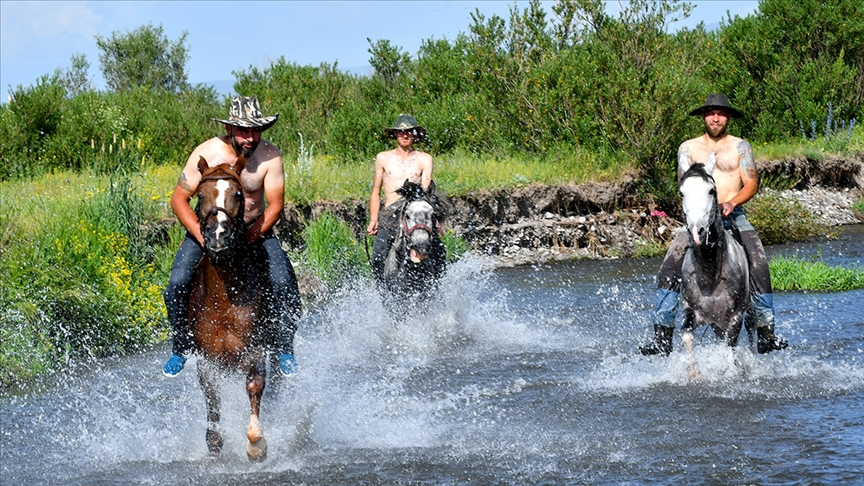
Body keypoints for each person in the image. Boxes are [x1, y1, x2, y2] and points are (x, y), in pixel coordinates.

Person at [162, 96, 302, 377]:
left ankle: (284, 346)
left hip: (254, 231)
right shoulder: (206, 153)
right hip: (208, 232)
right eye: (243, 130)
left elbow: (275, 205)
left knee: (283, 281)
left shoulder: (270, 156)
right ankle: (180, 346)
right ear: (229, 128)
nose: (250, 137)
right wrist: (201, 238)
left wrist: (250, 236)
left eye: (254, 130)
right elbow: (179, 199)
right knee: (177, 284)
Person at [639, 94, 788, 356]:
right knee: (668, 268)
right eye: (711, 113)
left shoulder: (741, 146)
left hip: (733, 214)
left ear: (728, 117)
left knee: (759, 264)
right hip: (698, 218)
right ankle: (661, 334)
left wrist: (730, 203)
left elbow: (751, 184)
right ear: (703, 117)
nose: (715, 118)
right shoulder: (688, 148)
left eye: (721, 113)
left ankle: (766, 330)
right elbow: (683, 187)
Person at [366, 114, 436, 283]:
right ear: (395, 134)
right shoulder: (383, 158)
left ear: (415, 134)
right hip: (390, 216)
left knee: (438, 250)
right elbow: (376, 191)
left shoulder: (424, 158)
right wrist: (374, 219)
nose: (405, 135)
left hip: (415, 213)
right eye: (401, 132)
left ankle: (437, 283)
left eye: (409, 132)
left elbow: (425, 190)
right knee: (378, 256)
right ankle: (384, 292)